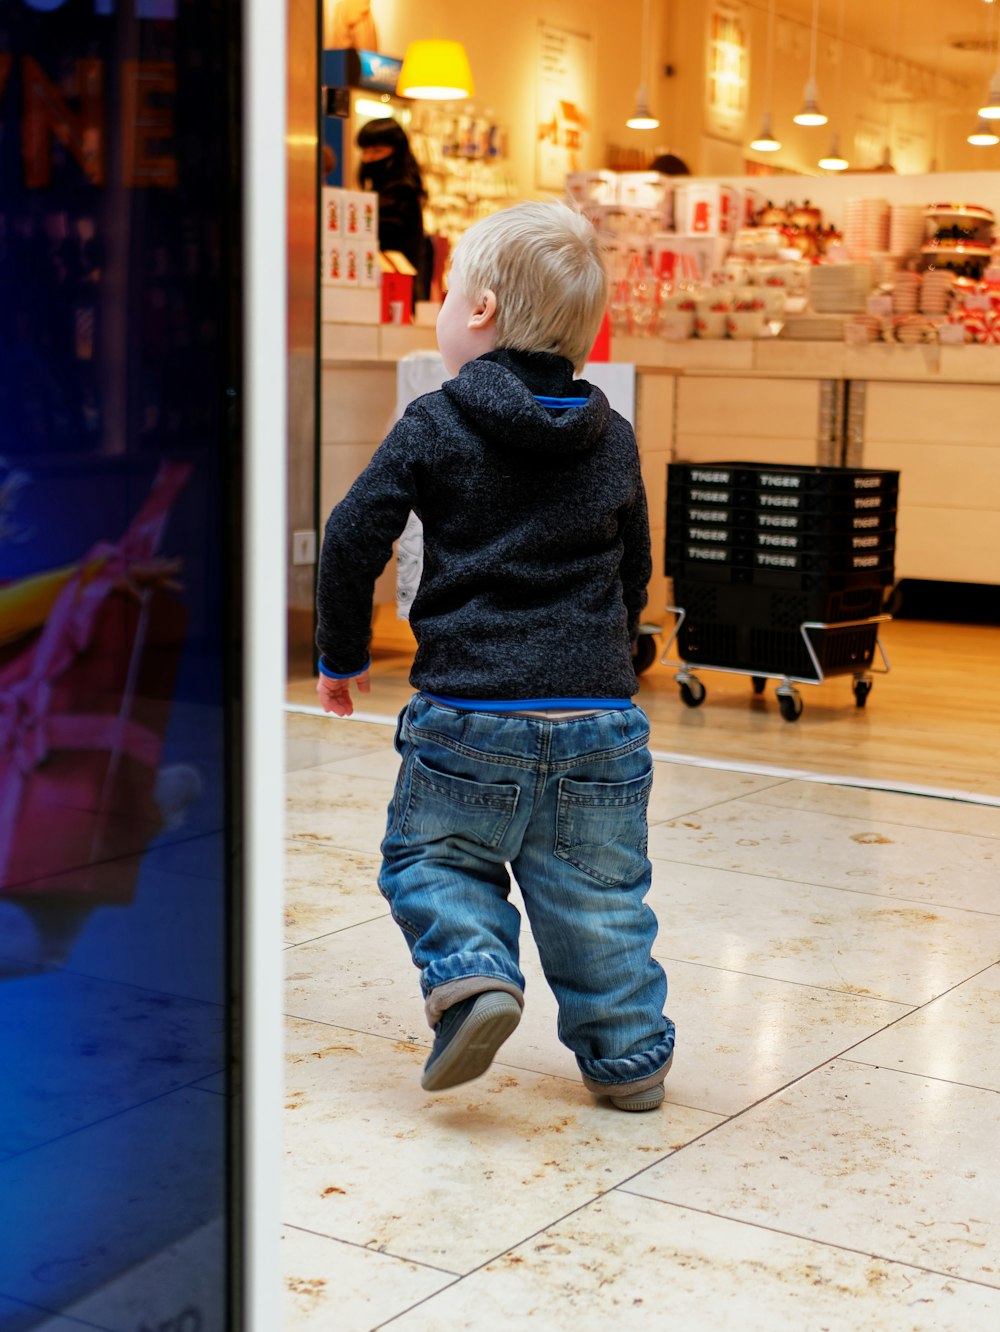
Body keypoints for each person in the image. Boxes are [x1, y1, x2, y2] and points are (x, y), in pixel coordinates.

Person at [314, 201, 675, 1112]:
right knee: (599, 899)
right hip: (598, 719)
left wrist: (341, 654)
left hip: (468, 714)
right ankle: (629, 1061)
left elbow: (353, 533)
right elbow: (635, 565)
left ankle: (474, 976)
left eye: (442, 293)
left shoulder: (435, 421)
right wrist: (613, 655)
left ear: (477, 309)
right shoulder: (613, 434)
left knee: (430, 859)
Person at [356, 118, 429, 303]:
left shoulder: (401, 191)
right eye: (365, 151)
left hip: (395, 286)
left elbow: (386, 238)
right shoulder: (387, 189)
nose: (369, 158)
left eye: (377, 150)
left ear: (397, 152)